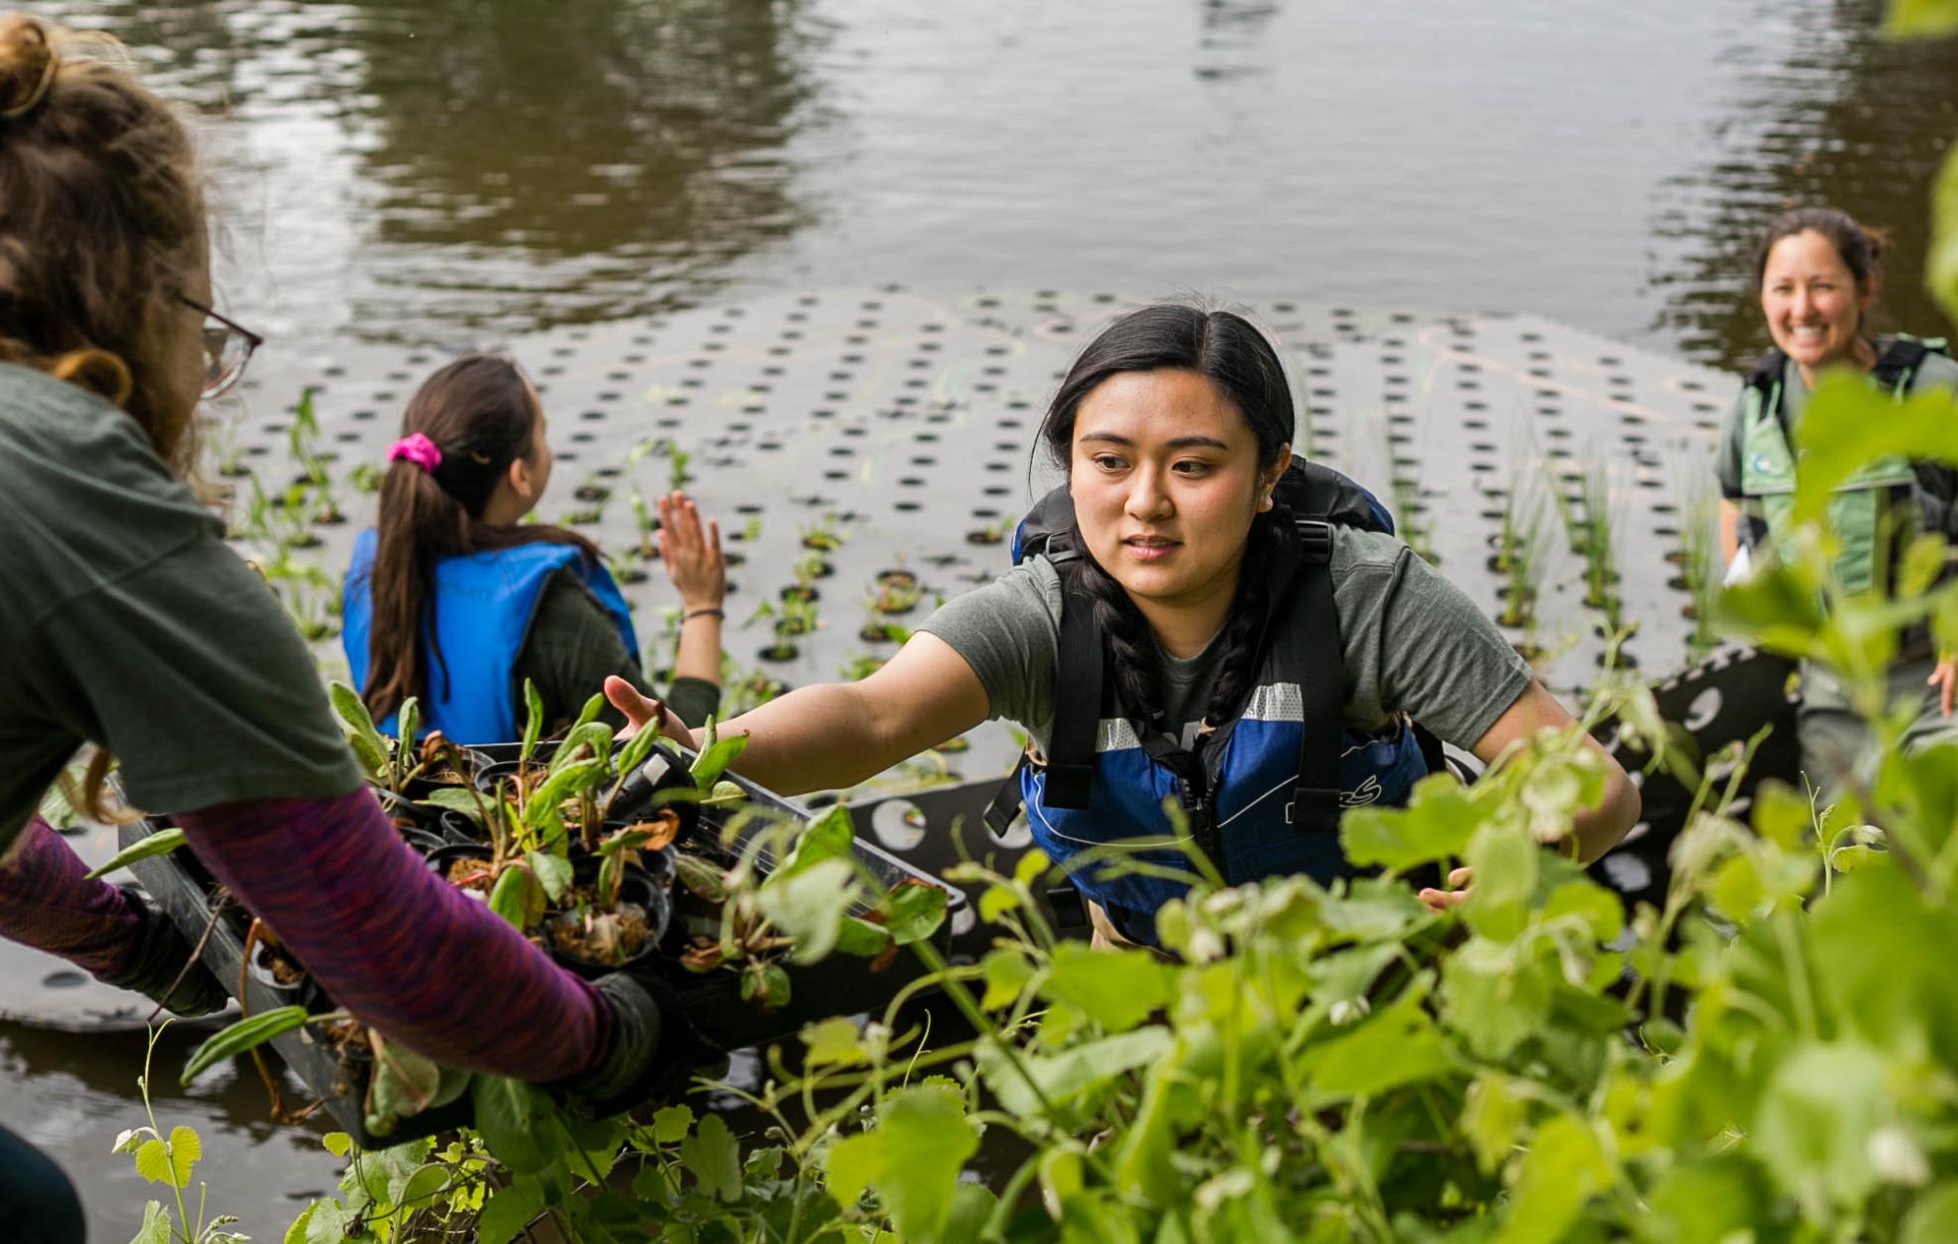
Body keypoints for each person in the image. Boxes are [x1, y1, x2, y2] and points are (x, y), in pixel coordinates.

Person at [0, 9, 693, 1244]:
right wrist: (602, 1038)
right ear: (142, 294)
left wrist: (134, 945)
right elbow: (378, 937)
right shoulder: (80, 484)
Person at [604, 304, 1640, 947]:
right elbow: (872, 718)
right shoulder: (1043, 615)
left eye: (1191, 467)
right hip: (1152, 997)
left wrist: (1524, 863)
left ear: (1269, 474)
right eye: (1107, 463)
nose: (1143, 502)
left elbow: (1593, 784)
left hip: (1381, 978)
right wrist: (705, 751)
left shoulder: (1366, 598)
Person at [341, 353, 725, 740]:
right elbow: (672, 752)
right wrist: (701, 604)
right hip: (527, 801)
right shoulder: (554, 613)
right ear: (519, 474)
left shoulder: (377, 575)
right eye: (543, 432)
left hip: (410, 797)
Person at [1714, 205, 1958, 797]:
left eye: (1822, 287)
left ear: (1865, 288)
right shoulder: (1757, 404)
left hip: (1935, 681)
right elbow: (1736, 507)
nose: (1802, 310)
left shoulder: (1931, 388)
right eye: (1783, 289)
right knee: (1847, 862)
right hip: (1828, 692)